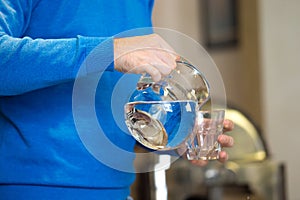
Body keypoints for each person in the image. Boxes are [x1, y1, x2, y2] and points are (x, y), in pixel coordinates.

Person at [0, 0, 234, 199]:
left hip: (117, 190)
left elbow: (115, 99)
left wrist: (174, 135)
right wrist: (108, 51)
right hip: (30, 189)